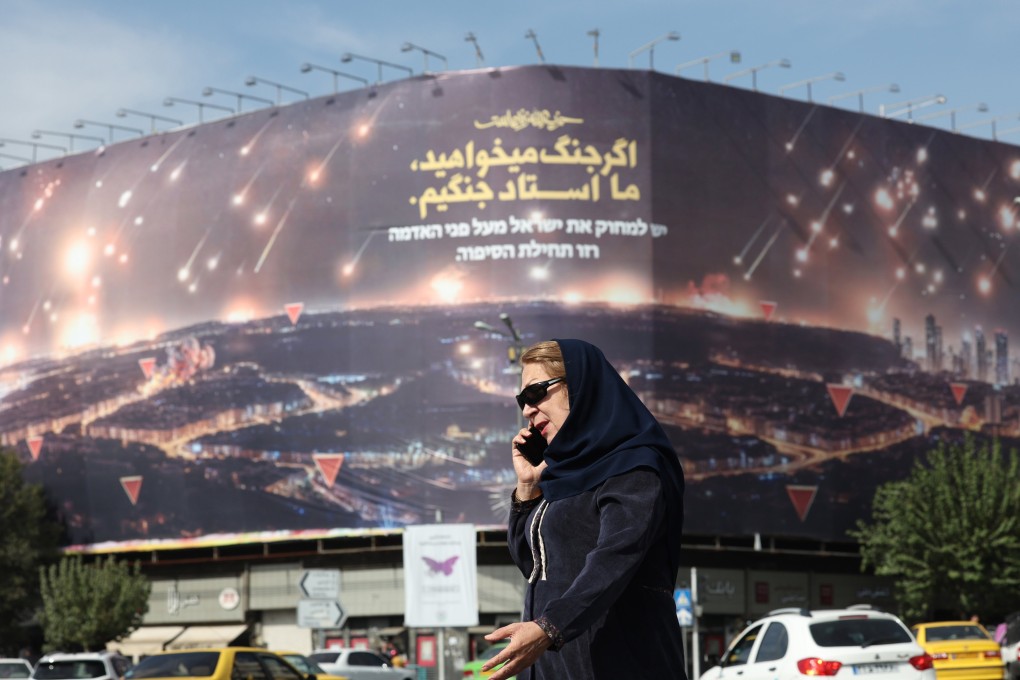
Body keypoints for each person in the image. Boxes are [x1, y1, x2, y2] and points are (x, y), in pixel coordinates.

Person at [482, 338, 687, 680]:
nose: (527, 410)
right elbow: (532, 564)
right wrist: (528, 489)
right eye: (522, 400)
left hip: (622, 664)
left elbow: (615, 557)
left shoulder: (634, 467)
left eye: (535, 393)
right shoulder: (562, 473)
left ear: (579, 387)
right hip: (559, 665)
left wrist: (549, 627)